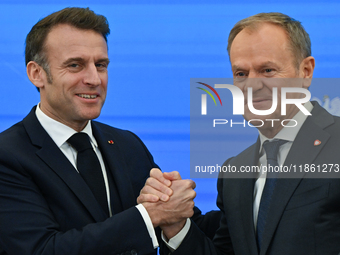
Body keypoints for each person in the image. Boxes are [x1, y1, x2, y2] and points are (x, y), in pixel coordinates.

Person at [0, 7, 222, 255]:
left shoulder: (128, 144)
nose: (94, 79)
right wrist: (149, 217)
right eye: (75, 65)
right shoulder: (7, 156)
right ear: (36, 73)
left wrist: (255, 197)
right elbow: (40, 250)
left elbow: (191, 227)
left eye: (101, 64)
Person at [139, 12, 340, 255]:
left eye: (267, 70)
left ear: (306, 71)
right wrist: (176, 225)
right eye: (241, 74)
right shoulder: (234, 173)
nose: (252, 86)